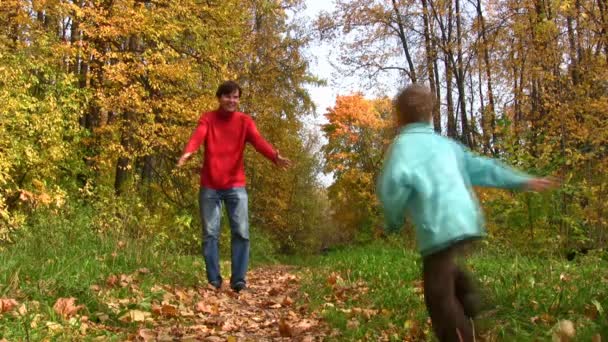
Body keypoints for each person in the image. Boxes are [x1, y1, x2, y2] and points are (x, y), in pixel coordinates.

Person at [376, 84, 556, 341]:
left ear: (399, 117)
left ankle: (462, 333)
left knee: (438, 296)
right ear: (431, 115)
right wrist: (521, 180)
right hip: (467, 220)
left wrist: (392, 221)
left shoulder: (402, 146)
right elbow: (483, 168)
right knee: (447, 269)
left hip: (437, 228)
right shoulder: (446, 145)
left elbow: (391, 187)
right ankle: (468, 296)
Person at [177, 80, 291, 292]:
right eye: (228, 96)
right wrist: (188, 151)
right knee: (210, 233)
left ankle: (239, 280)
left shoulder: (244, 122)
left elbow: (258, 141)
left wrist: (274, 157)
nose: (232, 100)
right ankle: (214, 280)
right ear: (219, 97)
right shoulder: (208, 118)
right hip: (210, 185)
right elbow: (198, 135)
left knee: (241, 232)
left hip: (235, 185)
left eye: (236, 97)